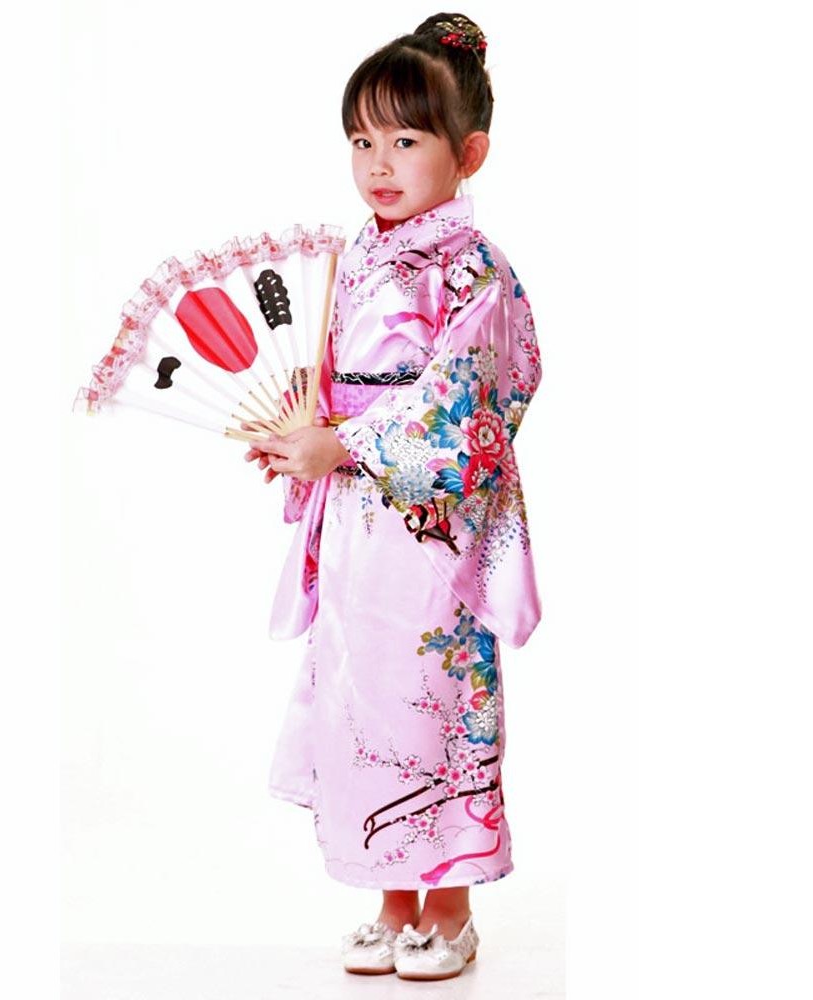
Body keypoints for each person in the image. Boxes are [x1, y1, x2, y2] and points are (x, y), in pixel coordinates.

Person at [243, 12, 542, 983]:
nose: (378, 163)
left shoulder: (473, 269)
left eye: (406, 140)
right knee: (361, 699)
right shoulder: (358, 256)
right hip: (356, 523)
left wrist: (347, 442)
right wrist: (304, 432)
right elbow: (340, 377)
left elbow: (468, 402)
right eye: (361, 140)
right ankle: (390, 899)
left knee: (429, 697)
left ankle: (450, 908)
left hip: (428, 529)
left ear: (469, 152)